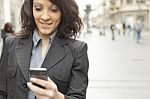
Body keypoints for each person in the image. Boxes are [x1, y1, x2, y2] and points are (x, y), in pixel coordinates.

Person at [0, 0, 89, 99]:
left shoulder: (77, 50)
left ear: (63, 12)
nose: (45, 17)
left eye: (54, 10)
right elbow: (2, 91)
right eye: (38, 8)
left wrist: (58, 97)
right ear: (30, 9)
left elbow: (78, 97)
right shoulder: (11, 44)